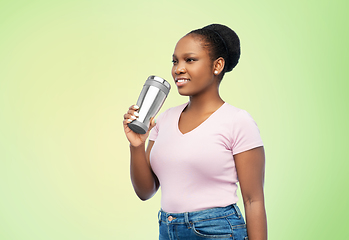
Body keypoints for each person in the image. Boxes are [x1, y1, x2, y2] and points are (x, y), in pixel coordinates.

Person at [123, 24, 267, 240]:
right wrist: (136, 146)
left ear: (217, 65)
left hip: (218, 231)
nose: (178, 69)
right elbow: (146, 191)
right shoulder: (163, 120)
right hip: (168, 228)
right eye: (175, 61)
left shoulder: (238, 121)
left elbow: (253, 200)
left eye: (189, 60)